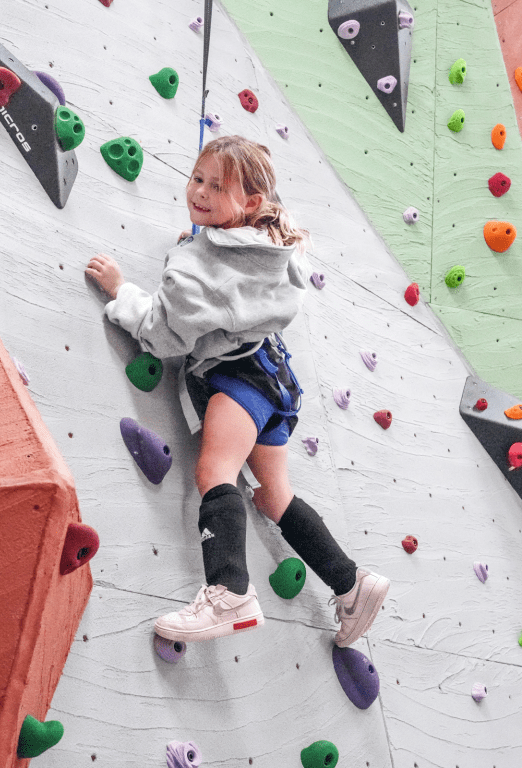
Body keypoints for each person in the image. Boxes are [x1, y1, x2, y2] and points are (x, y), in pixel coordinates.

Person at [85, 135, 389, 646]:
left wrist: (122, 290)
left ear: (249, 203)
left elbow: (161, 335)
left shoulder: (197, 268)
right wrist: (201, 243)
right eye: (198, 178)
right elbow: (229, 282)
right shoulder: (269, 246)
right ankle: (350, 583)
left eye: (216, 186)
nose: (199, 192)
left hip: (236, 378)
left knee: (214, 471)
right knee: (273, 497)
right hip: (274, 381)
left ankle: (229, 592)